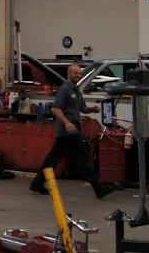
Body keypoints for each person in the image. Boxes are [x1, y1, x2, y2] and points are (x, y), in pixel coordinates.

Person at [29, 62, 112, 199]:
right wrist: (67, 123)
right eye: (75, 73)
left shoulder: (76, 90)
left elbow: (82, 109)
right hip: (68, 132)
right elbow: (56, 108)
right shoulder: (65, 90)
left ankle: (37, 183)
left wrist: (92, 109)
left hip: (69, 132)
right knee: (84, 159)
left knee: (52, 160)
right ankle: (99, 188)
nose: (78, 75)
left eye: (79, 73)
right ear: (69, 74)